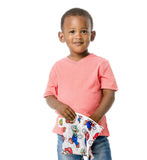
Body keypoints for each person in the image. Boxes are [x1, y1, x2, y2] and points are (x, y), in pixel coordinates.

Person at [44, 8, 118, 160]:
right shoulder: (58, 67)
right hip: (67, 133)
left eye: (84, 31)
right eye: (72, 31)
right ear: (61, 36)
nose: (78, 36)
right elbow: (49, 95)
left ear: (92, 35)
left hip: (96, 133)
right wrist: (59, 106)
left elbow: (109, 94)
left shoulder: (101, 64)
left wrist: (94, 118)